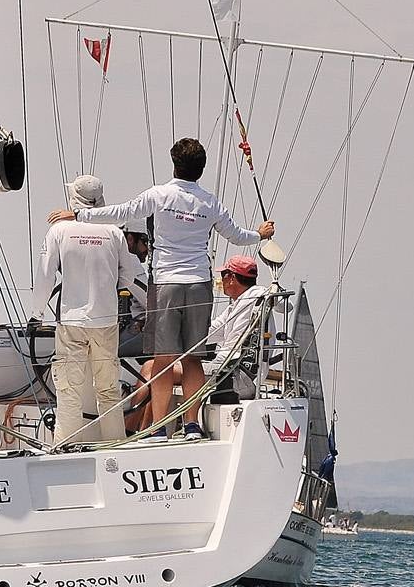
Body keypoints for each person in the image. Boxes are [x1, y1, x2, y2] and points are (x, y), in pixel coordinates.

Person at [48, 137, 275, 442]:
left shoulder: (160, 195)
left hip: (166, 282)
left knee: (163, 359)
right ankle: (192, 425)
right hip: (199, 284)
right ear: (201, 169)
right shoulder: (210, 202)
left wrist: (78, 215)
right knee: (193, 358)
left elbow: (121, 213)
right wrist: (260, 234)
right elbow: (237, 236)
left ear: (174, 164)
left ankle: (158, 427)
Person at [33, 175, 143, 445]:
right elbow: (128, 276)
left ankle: (64, 444)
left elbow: (46, 276)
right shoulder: (115, 232)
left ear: (74, 199)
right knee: (107, 389)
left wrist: (37, 314)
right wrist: (107, 288)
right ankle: (115, 443)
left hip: (72, 321)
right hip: (106, 320)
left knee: (68, 389)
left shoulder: (59, 231)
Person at [204, 254, 270, 400]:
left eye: (223, 274)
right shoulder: (237, 305)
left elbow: (231, 349)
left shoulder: (253, 298)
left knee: (159, 371)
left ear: (232, 277)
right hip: (233, 371)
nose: (221, 280)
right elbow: (208, 333)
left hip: (236, 375)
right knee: (162, 368)